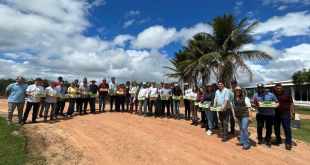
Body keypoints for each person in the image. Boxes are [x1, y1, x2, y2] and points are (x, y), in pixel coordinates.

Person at [251, 83, 279, 148]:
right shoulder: (255, 95)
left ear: (264, 88)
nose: (260, 89)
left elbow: (277, 103)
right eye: (259, 88)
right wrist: (255, 106)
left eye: (261, 88)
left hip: (270, 114)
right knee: (260, 127)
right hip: (260, 114)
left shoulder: (271, 95)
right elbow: (252, 103)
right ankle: (260, 139)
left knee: (269, 128)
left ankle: (267, 140)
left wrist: (275, 106)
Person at [272, 83, 295, 150]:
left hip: (286, 115)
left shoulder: (287, 95)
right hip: (275, 115)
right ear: (275, 88)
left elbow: (291, 104)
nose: (279, 89)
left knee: (287, 128)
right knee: (276, 128)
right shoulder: (272, 95)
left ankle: (288, 143)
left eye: (280, 88)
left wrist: (293, 114)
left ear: (283, 88)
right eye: (278, 88)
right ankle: (278, 140)